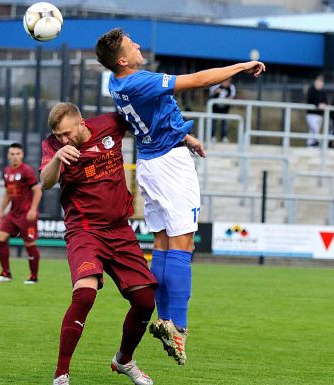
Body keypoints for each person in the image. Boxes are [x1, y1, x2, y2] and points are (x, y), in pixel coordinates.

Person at [95, 28, 265, 365]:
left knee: (161, 242)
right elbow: (200, 80)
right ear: (123, 60)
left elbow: (151, 117)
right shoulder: (138, 80)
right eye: (133, 43)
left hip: (149, 160)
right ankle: (180, 328)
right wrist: (241, 67)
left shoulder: (117, 83)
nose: (139, 44)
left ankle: (165, 319)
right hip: (169, 166)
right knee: (183, 245)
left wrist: (185, 137)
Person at [40, 102, 157, 385]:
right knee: (85, 295)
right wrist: (57, 157)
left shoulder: (110, 124)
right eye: (58, 135)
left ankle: (124, 360)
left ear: (81, 123)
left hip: (119, 230)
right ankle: (61, 375)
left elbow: (145, 121)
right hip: (85, 230)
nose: (63, 140)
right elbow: (45, 182)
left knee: (145, 302)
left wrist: (183, 137)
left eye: (67, 134)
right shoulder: (53, 147)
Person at [0, 142, 42, 284]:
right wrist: (2, 210)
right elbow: (8, 192)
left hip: (26, 214)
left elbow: (37, 190)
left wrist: (33, 209)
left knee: (29, 244)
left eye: (17, 154)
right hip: (13, 213)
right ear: (8, 155)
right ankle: (5, 273)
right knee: (0, 237)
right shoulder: (7, 171)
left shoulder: (27, 171)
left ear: (22, 155)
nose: (15, 157)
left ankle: (34, 277)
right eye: (12, 154)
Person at [208, 78, 236, 142]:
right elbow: (211, 93)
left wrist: (226, 98)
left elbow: (232, 97)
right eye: (226, 81)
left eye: (229, 81)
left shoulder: (232, 87)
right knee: (213, 122)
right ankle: (212, 137)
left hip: (225, 109)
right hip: (215, 108)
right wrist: (217, 91)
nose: (227, 82)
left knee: (224, 123)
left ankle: (224, 137)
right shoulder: (216, 85)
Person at [306, 75, 328, 147]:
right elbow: (310, 100)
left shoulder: (323, 92)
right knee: (315, 129)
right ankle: (319, 142)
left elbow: (326, 101)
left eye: (321, 82)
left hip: (320, 115)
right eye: (318, 82)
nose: (319, 84)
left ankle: (310, 144)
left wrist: (324, 105)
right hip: (311, 114)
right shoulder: (311, 90)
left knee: (313, 131)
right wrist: (318, 105)